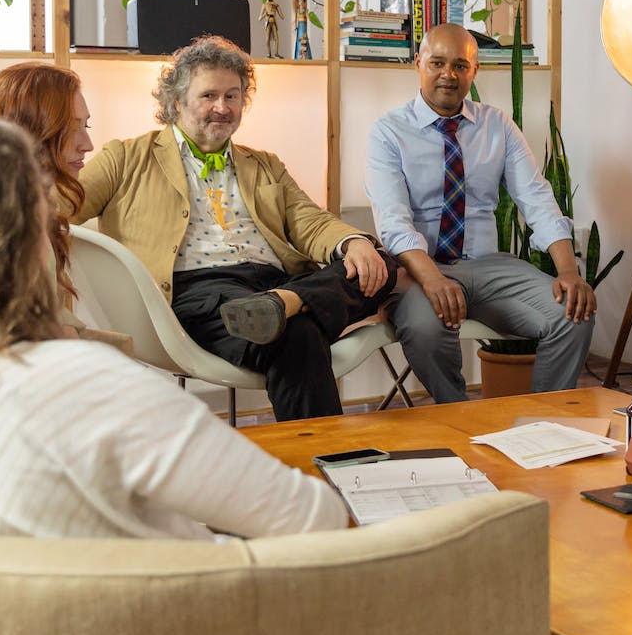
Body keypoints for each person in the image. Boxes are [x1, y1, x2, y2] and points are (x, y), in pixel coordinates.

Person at [0, 117, 346, 538]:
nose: (86, 145)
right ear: (25, 246)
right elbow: (315, 518)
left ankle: (297, 301)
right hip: (200, 619)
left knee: (354, 275)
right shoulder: (91, 385)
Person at [76, 36, 396, 422]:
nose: (222, 108)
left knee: (380, 262)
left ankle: (286, 303)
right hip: (201, 292)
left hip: (273, 283)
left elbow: (309, 221)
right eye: (209, 95)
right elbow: (59, 208)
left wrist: (352, 242)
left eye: (232, 96)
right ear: (176, 102)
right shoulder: (125, 158)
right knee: (298, 336)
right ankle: (327, 461)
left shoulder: (263, 164)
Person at [365, 23, 594, 403]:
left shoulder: (497, 125)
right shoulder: (389, 131)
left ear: (474, 71)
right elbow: (393, 222)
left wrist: (569, 273)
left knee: (573, 311)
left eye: (460, 65)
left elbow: (536, 197)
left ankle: (548, 426)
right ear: (418, 63)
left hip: (489, 267)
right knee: (425, 329)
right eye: (437, 62)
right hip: (419, 271)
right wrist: (434, 280)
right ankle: (459, 422)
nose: (448, 75)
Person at [0, 62, 93, 330]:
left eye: (87, 126)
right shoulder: (11, 219)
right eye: (73, 129)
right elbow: (36, 333)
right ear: (31, 129)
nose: (88, 145)